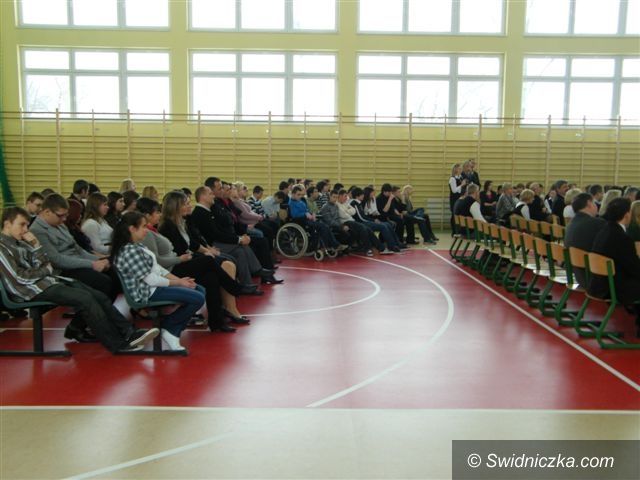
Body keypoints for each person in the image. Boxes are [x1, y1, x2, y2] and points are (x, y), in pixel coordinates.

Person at [0, 207, 157, 352]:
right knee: (85, 299)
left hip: (48, 282)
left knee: (99, 295)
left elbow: (44, 263)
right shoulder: (2, 247)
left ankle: (129, 332)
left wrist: (35, 246)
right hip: (30, 290)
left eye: (27, 225)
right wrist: (44, 270)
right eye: (22, 225)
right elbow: (20, 277)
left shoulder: (23, 243)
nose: (26, 230)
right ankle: (117, 344)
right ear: (7, 224)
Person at [138, 197, 245, 332]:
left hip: (178, 263)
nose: (160, 214)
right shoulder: (162, 228)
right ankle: (234, 287)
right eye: (157, 212)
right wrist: (180, 259)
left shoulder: (166, 227)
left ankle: (216, 322)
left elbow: (188, 245)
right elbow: (159, 260)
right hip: (172, 269)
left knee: (211, 277)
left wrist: (199, 252)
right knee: (208, 261)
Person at [112, 212, 206, 351]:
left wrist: (180, 280)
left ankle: (171, 329)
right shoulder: (129, 251)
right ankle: (169, 327)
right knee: (197, 298)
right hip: (147, 292)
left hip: (154, 287)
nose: (147, 230)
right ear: (132, 229)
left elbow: (159, 269)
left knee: (199, 289)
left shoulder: (138, 246)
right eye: (144, 226)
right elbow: (150, 279)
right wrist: (179, 283)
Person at [30, 193, 116, 300]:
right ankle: (101, 308)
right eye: (61, 215)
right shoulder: (37, 230)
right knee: (103, 281)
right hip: (64, 269)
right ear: (47, 212)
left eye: (66, 215)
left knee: (114, 271)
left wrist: (99, 260)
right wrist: (92, 264)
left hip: (78, 262)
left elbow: (78, 249)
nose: (64, 219)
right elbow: (56, 260)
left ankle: (111, 307)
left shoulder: (59, 224)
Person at [191, 184, 278, 286]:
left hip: (216, 242)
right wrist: (239, 239)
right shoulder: (201, 212)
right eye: (210, 194)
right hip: (213, 245)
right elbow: (215, 234)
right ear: (203, 197)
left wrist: (239, 238)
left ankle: (248, 283)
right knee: (242, 246)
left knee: (241, 250)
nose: (213, 195)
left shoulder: (207, 210)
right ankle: (255, 272)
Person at [589, 198, 640, 336]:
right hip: (613, 288)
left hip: (599, 283)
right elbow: (635, 269)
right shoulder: (622, 238)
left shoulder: (604, 230)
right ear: (627, 215)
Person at [563, 193, 606, 286]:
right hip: (594, 276)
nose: (596, 206)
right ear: (589, 203)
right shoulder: (597, 223)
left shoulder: (571, 223)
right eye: (594, 203)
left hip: (578, 274)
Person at [448, 163, 467, 235]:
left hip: (460, 198)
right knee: (454, 215)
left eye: (461, 169)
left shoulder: (460, 177)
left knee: (460, 215)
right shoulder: (452, 179)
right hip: (454, 199)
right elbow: (454, 190)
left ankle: (459, 231)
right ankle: (454, 231)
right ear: (455, 169)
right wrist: (462, 185)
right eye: (459, 169)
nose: (461, 170)